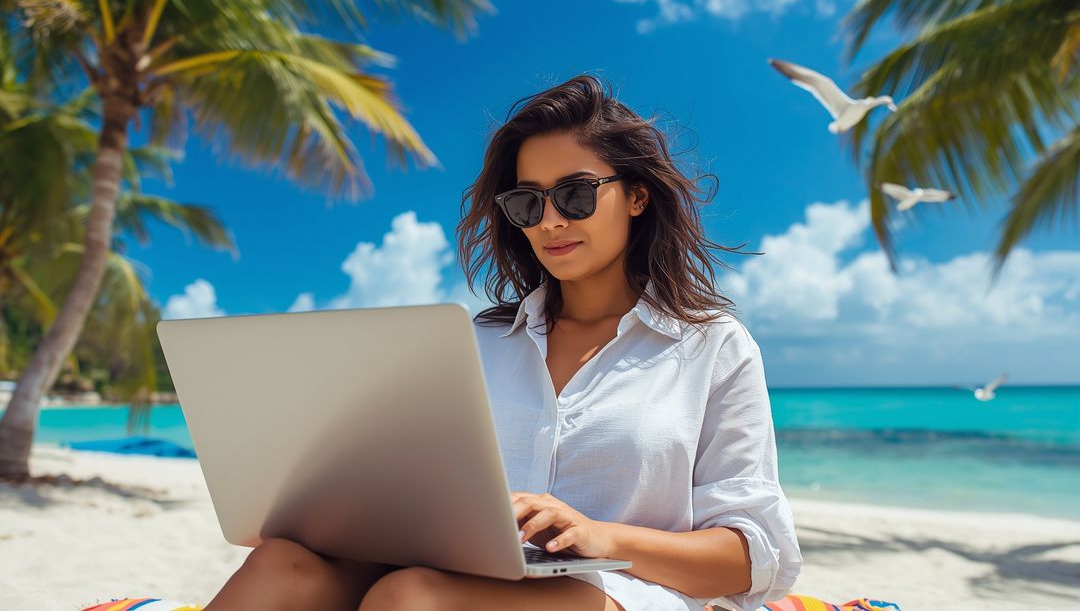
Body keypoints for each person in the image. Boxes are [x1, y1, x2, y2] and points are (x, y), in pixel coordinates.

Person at [203, 74, 802, 611]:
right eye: (527, 201)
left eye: (575, 194)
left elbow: (752, 557)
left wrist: (600, 536)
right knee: (283, 566)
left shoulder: (712, 347)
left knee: (411, 599)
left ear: (638, 196)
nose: (549, 221)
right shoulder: (476, 345)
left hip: (621, 594)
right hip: (465, 576)